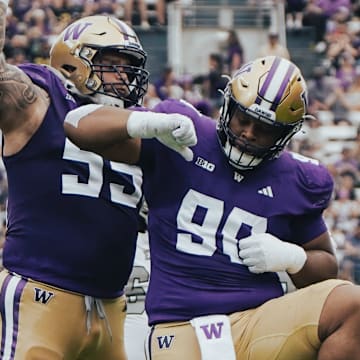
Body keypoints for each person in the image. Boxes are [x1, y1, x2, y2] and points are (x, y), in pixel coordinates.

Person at [64, 55, 360, 359]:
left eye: (264, 129)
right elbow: (76, 126)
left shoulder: (298, 180)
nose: (248, 133)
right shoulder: (185, 136)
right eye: (243, 119)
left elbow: (326, 266)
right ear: (228, 106)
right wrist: (144, 122)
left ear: (286, 134)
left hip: (257, 321)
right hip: (180, 326)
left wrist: (293, 257)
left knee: (351, 305)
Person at [0, 2, 158, 357]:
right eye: (115, 64)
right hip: (42, 294)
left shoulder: (137, 126)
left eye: (130, 68)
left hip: (113, 306)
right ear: (74, 61)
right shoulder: (41, 101)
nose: (125, 78)